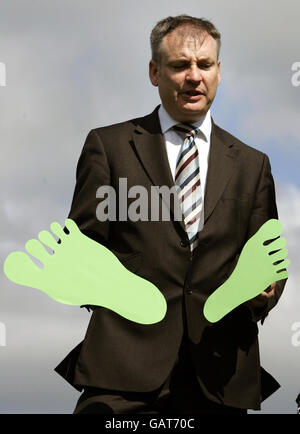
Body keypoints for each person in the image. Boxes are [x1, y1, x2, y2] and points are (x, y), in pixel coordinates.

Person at [54, 14, 287, 414]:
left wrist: (265, 291)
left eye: (205, 65)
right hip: (122, 373)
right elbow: (82, 249)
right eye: (180, 65)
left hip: (221, 376)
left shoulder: (253, 164)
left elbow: (269, 261)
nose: (194, 76)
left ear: (219, 71)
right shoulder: (108, 147)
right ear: (154, 72)